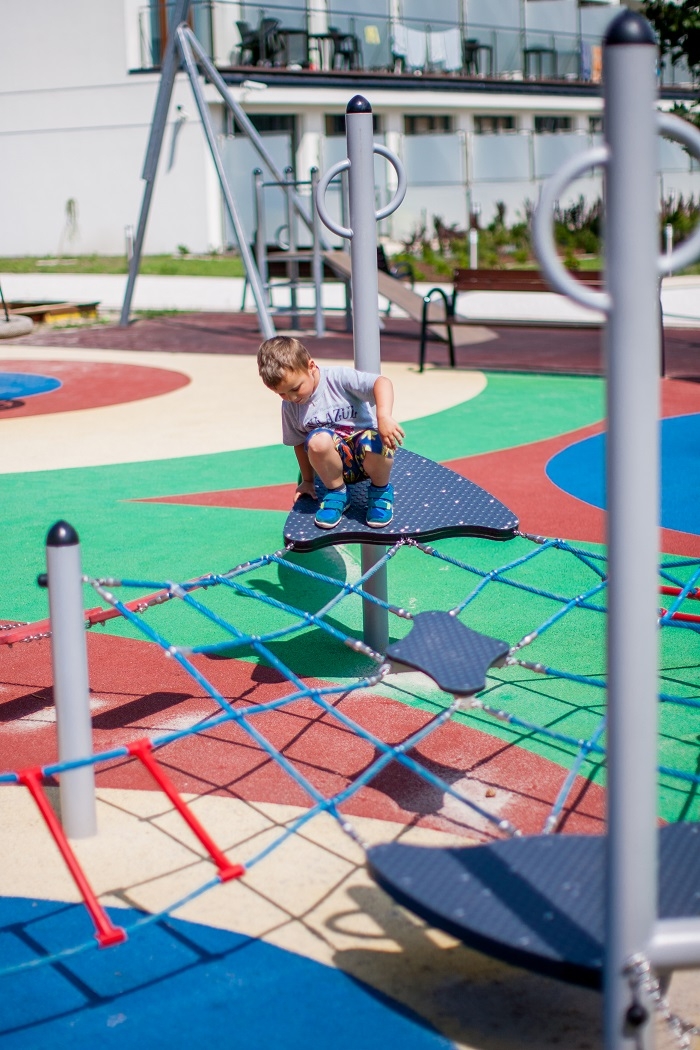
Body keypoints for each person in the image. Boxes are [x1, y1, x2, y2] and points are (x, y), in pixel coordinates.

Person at [258, 335, 404, 530]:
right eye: (282, 393)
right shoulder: (290, 407)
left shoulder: (337, 378)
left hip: (367, 460)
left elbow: (382, 382)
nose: (291, 397)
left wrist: (383, 416)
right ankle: (338, 493)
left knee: (375, 439)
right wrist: (307, 481)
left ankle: (380, 491)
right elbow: (299, 444)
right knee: (317, 441)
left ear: (311, 366)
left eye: (295, 388)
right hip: (333, 470)